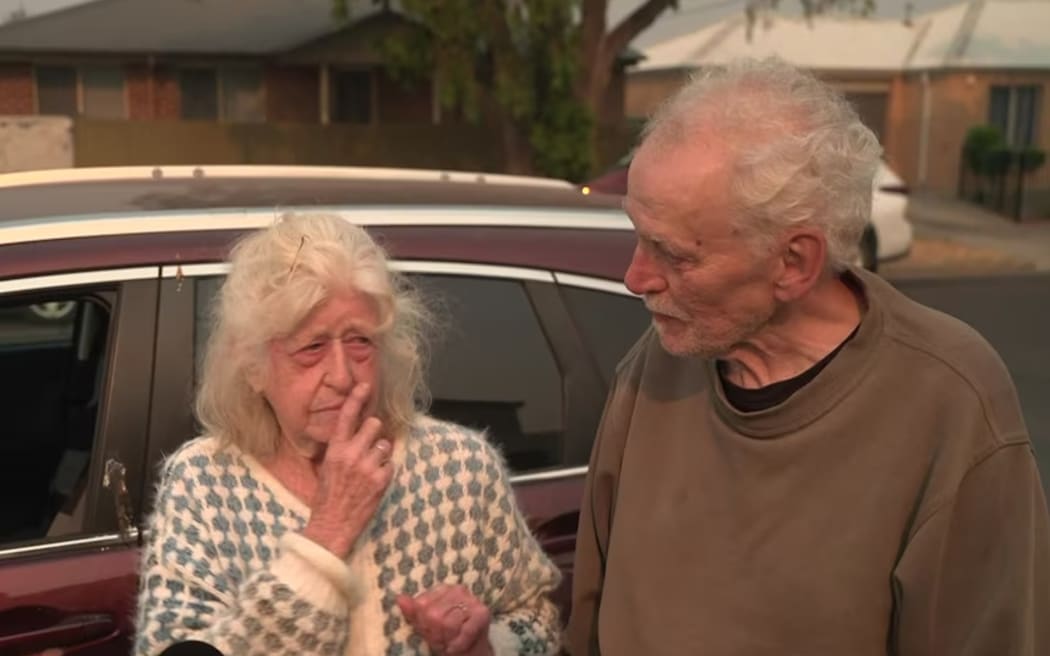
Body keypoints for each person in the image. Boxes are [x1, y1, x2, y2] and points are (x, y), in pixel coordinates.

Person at [565, 57, 1050, 655]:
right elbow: (588, 629)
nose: (636, 278)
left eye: (675, 255)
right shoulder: (656, 363)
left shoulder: (950, 401)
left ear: (794, 263)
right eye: (638, 235)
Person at [135, 213, 562, 656]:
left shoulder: (458, 465)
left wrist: (486, 644)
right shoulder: (205, 482)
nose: (341, 375)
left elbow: (539, 619)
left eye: (359, 341)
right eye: (312, 347)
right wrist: (328, 532)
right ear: (253, 367)